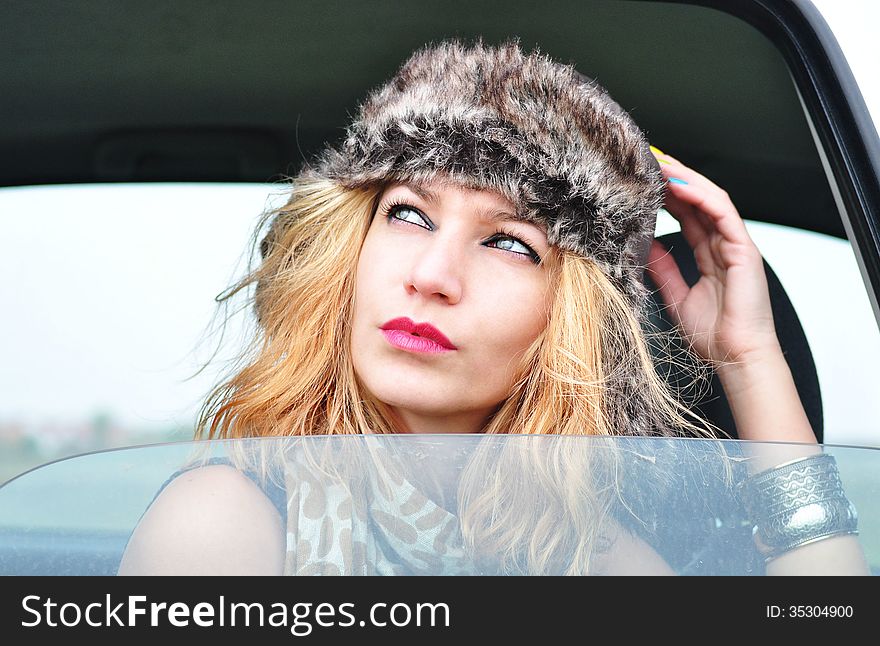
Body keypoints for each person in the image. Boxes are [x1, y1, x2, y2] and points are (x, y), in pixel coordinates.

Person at [118, 40, 867, 576]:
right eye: (409, 214)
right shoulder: (227, 527)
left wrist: (749, 359)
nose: (433, 275)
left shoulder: (588, 561)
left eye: (510, 243)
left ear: (567, 318)